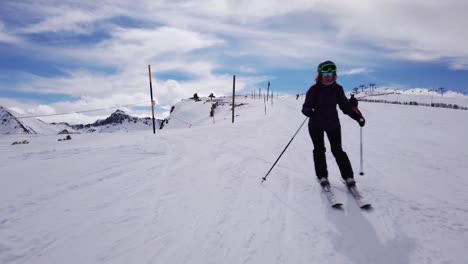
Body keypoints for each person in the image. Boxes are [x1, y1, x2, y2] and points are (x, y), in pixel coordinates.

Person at [301, 61, 365, 188]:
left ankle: (348, 177)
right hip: (316, 124)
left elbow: (345, 107)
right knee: (319, 150)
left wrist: (357, 117)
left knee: (337, 150)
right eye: (325, 73)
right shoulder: (314, 89)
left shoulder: (337, 89)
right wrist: (307, 110)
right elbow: (306, 107)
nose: (328, 76)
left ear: (334, 75)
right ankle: (322, 176)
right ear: (320, 74)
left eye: (331, 73)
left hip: (333, 124)